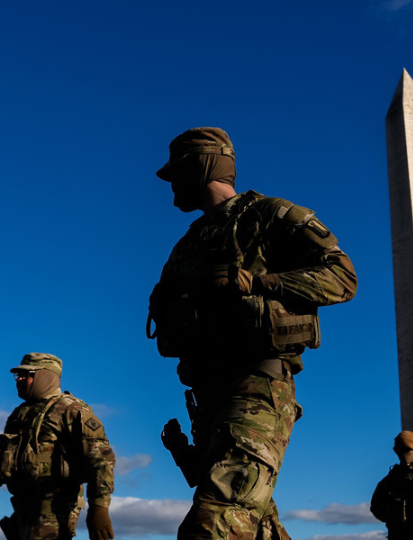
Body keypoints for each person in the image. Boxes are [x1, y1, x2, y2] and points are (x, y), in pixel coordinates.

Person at [147, 127, 358, 540]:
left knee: (217, 524)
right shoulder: (187, 245)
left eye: (177, 174)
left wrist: (260, 283)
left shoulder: (273, 216)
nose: (170, 186)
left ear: (202, 168)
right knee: (257, 528)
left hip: (256, 390)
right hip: (208, 401)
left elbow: (342, 277)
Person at [0, 353, 115, 540]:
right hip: (22, 511)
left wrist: (99, 507)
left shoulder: (72, 409)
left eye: (26, 374)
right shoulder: (20, 415)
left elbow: (101, 460)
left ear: (45, 375)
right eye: (17, 375)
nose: (19, 379)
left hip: (55, 510)